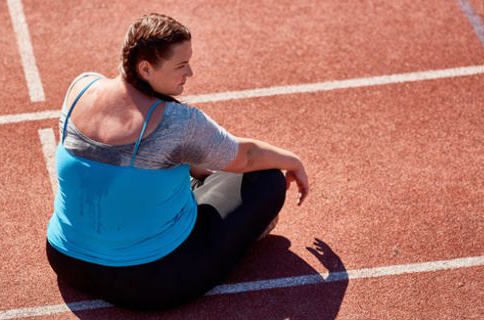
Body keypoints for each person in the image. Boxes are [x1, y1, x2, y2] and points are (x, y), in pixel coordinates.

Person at [45, 13, 309, 310]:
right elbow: (246, 155)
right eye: (181, 65)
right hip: (148, 281)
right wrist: (294, 161)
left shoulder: (81, 87)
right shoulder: (178, 122)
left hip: (66, 259)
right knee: (267, 178)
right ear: (146, 68)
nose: (190, 72)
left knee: (181, 170)